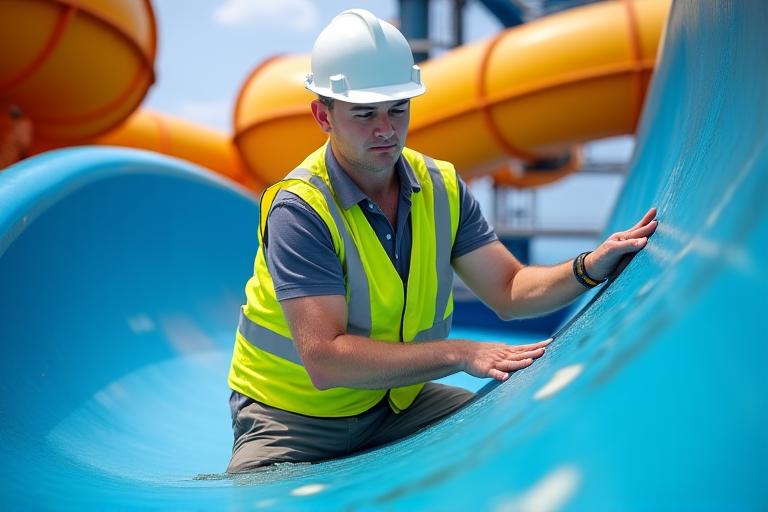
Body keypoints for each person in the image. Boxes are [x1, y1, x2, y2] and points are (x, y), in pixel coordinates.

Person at [226, 9, 657, 474]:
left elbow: (509, 289)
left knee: (519, 437)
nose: (385, 129)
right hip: (293, 419)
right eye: (365, 114)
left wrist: (588, 266)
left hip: (397, 403)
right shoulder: (302, 208)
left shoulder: (441, 187)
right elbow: (326, 360)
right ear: (322, 115)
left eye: (398, 109)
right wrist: (460, 353)